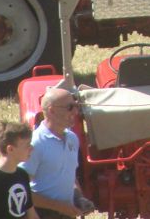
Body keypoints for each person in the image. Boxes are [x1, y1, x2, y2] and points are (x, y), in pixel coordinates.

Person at [20, 87, 95, 219]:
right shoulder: (35, 143)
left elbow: (70, 176)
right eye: (70, 107)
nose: (76, 112)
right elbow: (21, 190)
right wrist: (60, 207)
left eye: (76, 106)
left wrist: (79, 198)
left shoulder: (72, 139)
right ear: (52, 110)